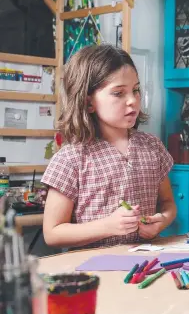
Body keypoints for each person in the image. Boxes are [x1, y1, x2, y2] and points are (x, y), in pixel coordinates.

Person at [42, 44, 177, 249]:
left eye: (136, 90)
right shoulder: (71, 158)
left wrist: (162, 221)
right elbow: (52, 233)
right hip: (93, 271)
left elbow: (168, 204)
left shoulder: (152, 146)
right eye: (118, 93)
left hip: (145, 263)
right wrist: (108, 226)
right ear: (89, 103)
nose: (132, 100)